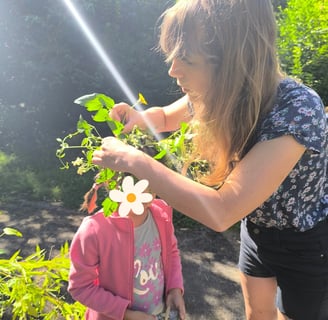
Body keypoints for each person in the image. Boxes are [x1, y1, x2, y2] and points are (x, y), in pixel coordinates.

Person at [92, 0, 328, 319]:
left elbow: (222, 210)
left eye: (186, 59)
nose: (173, 69)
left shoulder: (298, 110)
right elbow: (163, 118)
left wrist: (136, 162)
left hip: (307, 243)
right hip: (257, 230)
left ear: (235, 60)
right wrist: (138, 117)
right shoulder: (222, 91)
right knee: (258, 312)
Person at [68, 175, 186, 320]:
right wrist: (125, 314)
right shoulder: (95, 230)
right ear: (112, 184)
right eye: (135, 180)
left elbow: (171, 253)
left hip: (160, 313)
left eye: (151, 176)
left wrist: (174, 290)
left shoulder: (161, 216)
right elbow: (81, 287)